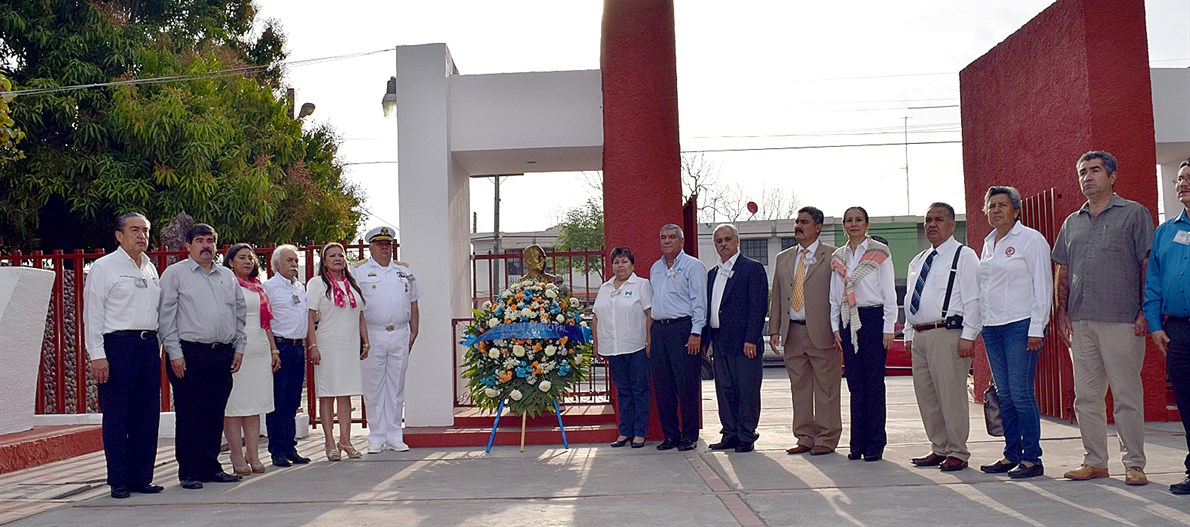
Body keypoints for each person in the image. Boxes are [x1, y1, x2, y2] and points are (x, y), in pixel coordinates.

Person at [1052, 151, 1155, 486]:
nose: (1087, 177)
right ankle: (1095, 461)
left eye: (1095, 170)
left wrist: (1144, 311)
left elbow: (1146, 264)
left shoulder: (1134, 214)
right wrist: (1061, 312)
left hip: (1123, 320)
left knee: (1126, 395)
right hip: (1080, 323)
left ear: (1112, 176)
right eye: (1082, 172)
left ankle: (1134, 464)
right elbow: (1062, 270)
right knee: (1087, 397)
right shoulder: (1072, 222)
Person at [159, 224, 247, 490]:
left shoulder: (227, 276)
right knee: (191, 413)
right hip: (188, 353)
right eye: (199, 240)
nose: (206, 245)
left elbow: (239, 314)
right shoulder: (175, 275)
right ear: (188, 246)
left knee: (214, 412)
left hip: (221, 353)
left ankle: (211, 467)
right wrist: (174, 353)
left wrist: (238, 347)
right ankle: (189, 470)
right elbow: (166, 317)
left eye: (210, 240)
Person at [83, 212, 164, 499]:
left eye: (145, 230)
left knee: (147, 413)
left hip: (147, 346)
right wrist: (97, 355)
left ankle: (141, 477)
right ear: (119, 235)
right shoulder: (104, 267)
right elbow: (92, 313)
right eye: (134, 230)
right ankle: (118, 480)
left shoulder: (150, 268)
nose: (141, 235)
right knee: (118, 415)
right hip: (117, 346)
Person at [977, 186, 1052, 479]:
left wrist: (1037, 327)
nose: (996, 210)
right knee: (1004, 394)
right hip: (992, 328)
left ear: (1016, 210)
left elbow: (1043, 287)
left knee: (1021, 393)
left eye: (1002, 205)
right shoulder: (987, 243)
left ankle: (1032, 458)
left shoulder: (1031, 240)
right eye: (991, 205)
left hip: (1021, 326)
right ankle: (1011, 454)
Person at [904, 202, 982, 472]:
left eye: (938, 219)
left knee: (950, 395)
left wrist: (969, 335)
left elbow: (973, 298)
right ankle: (939, 447)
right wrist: (907, 331)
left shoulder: (964, 256)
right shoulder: (920, 260)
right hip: (921, 335)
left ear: (951, 225)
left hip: (947, 333)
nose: (932, 225)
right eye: (928, 220)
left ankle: (958, 451)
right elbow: (912, 298)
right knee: (927, 395)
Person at [769, 206, 841, 456]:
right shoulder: (784, 257)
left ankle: (826, 437)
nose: (798, 226)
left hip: (823, 333)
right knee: (799, 388)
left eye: (804, 222)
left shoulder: (833, 256)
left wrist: (838, 329)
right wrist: (774, 329)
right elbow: (777, 295)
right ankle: (804, 436)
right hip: (793, 333)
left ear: (818, 227)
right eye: (797, 222)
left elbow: (839, 296)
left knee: (826, 388)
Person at [829, 206, 898, 462]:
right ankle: (856, 442)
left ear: (867, 224)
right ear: (843, 225)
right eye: (848, 220)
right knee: (855, 384)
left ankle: (875, 443)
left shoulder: (880, 252)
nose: (853, 224)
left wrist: (889, 326)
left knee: (873, 383)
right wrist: (835, 327)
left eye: (858, 220)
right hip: (848, 320)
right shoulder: (839, 257)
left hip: (873, 318)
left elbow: (889, 292)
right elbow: (835, 296)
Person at [1143, 159, 1190, 495]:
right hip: (1179, 331)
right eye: (1180, 178)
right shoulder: (1166, 231)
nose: (1182, 183)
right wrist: (1156, 324)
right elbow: (1154, 281)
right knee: (1187, 403)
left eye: (1189, 178)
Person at [356, 226, 421, 453]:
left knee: (396, 386)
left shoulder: (404, 272)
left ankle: (394, 435)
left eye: (388, 244)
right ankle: (376, 436)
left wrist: (414, 331)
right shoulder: (359, 271)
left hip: (400, 333)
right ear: (370, 247)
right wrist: (362, 338)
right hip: (373, 334)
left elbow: (413, 302)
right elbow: (358, 309)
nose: (385, 248)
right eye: (380, 244)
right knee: (373, 386)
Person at [704, 224, 768, 453]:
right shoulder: (712, 274)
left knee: (747, 390)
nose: (723, 244)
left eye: (727, 239)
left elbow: (758, 306)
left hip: (745, 343)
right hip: (720, 340)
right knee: (725, 389)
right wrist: (706, 342)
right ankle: (729, 433)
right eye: (719, 241)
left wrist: (751, 338)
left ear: (737, 241)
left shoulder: (752, 269)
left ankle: (746, 435)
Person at [306, 242, 370, 461]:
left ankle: (346, 440)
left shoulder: (353, 283)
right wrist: (313, 345)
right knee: (328, 393)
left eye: (340, 255)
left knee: (346, 393)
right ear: (324, 261)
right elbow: (310, 315)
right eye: (331, 255)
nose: (337, 259)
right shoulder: (317, 283)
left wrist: (366, 342)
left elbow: (360, 315)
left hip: (349, 345)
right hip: (327, 345)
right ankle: (329, 442)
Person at [222, 243, 281, 476]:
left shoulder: (258, 286)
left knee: (255, 405)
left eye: (250, 258)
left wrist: (274, 350)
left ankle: (253, 454)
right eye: (241, 257)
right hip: (236, 350)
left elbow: (265, 322)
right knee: (234, 406)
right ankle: (236, 455)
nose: (247, 261)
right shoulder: (227, 285)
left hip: (259, 349)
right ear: (230, 262)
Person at [649, 224, 708, 451]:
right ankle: (671, 435)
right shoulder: (655, 268)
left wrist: (696, 332)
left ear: (681, 241)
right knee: (663, 386)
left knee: (686, 385)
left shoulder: (693, 266)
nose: (667, 241)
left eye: (672, 237)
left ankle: (689, 435)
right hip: (660, 330)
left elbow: (699, 302)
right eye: (663, 237)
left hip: (683, 329)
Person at [592, 247, 653, 448]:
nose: (620, 266)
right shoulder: (605, 288)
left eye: (624, 261)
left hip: (636, 347)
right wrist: (597, 344)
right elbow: (596, 317)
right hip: (613, 348)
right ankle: (624, 431)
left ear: (632, 264)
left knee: (639, 390)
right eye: (616, 262)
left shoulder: (641, 285)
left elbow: (649, 315)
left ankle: (640, 433)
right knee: (623, 392)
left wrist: (648, 341)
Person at [264, 244, 312, 467]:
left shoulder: (300, 287)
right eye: (289, 261)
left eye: (295, 260)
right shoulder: (269, 288)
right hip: (280, 348)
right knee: (278, 401)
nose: (294, 264)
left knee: (293, 401)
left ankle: (290, 446)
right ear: (276, 265)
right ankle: (277, 450)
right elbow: (265, 323)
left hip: (297, 347)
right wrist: (273, 349)